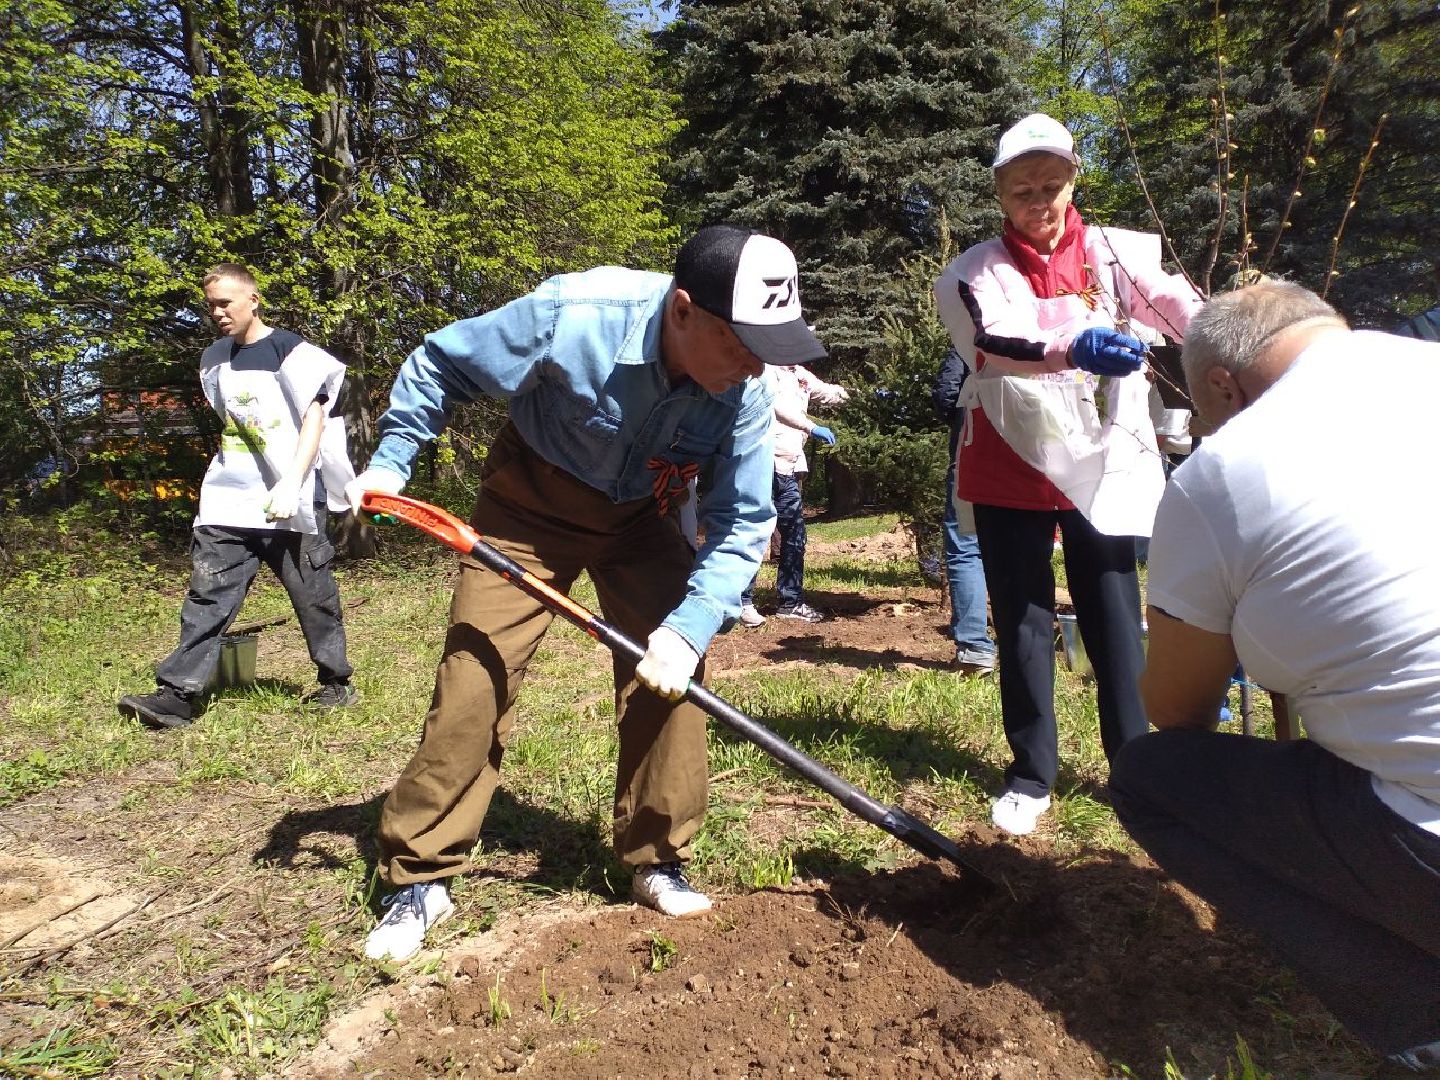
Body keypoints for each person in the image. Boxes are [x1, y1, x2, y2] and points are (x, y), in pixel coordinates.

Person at [346, 225, 826, 962]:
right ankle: (420, 874)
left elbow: (741, 523)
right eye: (742, 342)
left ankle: (657, 857)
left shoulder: (747, 395)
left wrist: (690, 626)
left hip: (641, 519)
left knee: (674, 679)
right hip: (528, 510)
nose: (756, 363)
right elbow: (443, 362)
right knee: (476, 677)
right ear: (685, 311)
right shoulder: (575, 314)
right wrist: (393, 460)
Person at [1110, 282, 1440, 1071]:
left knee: (1150, 778)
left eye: (1209, 411)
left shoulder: (1226, 469)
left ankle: (1420, 1019)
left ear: (1225, 385)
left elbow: (1175, 708)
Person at [933, 113, 1203, 836]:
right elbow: (992, 340)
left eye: (1051, 184)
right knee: (1023, 617)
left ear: (1073, 181)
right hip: (1010, 459)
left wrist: (1215, 332)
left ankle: (1136, 764)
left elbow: (1168, 299)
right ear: (1000, 195)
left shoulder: (1111, 251)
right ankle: (1030, 772)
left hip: (1101, 459)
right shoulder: (975, 270)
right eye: (1023, 188)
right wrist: (1074, 346)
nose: (1039, 201)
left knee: (1115, 612)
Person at [117, 263, 358, 729]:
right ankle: (176, 696)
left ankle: (335, 682)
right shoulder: (214, 358)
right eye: (210, 305)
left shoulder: (294, 353)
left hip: (291, 501)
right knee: (207, 595)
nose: (217, 312)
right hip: (230, 499)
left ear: (253, 299)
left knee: (314, 596)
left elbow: (316, 421)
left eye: (225, 302)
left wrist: (293, 480)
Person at [738, 362, 849, 626]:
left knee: (794, 536)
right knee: (755, 532)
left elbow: (827, 391)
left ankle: (790, 602)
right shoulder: (764, 370)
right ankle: (742, 601)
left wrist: (864, 394)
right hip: (763, 464)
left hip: (788, 468)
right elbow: (775, 406)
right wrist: (811, 427)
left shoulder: (799, 374)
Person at [930, 346, 996, 675]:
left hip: (972, 449)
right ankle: (1021, 642)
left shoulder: (968, 341)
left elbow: (946, 392)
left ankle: (974, 646)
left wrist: (957, 421)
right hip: (1029, 457)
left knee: (966, 547)